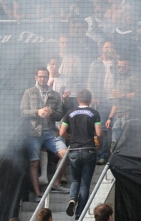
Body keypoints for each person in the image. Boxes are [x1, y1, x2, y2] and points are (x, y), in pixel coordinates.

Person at [21, 66, 68, 198]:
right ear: (36, 77)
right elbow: (22, 112)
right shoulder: (29, 92)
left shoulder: (55, 95)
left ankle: (56, 184)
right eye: (40, 76)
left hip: (51, 132)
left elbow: (60, 115)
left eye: (45, 76)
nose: (42, 79)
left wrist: (52, 113)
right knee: (34, 162)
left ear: (48, 78)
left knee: (65, 155)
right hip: (34, 133)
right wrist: (37, 112)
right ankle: (37, 194)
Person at [60, 89, 103, 219]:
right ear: (90, 100)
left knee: (75, 179)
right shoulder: (94, 113)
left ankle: (73, 198)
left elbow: (61, 133)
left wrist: (71, 138)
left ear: (77, 100)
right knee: (85, 183)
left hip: (73, 150)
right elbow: (99, 133)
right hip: (89, 150)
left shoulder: (70, 113)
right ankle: (79, 214)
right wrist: (99, 145)